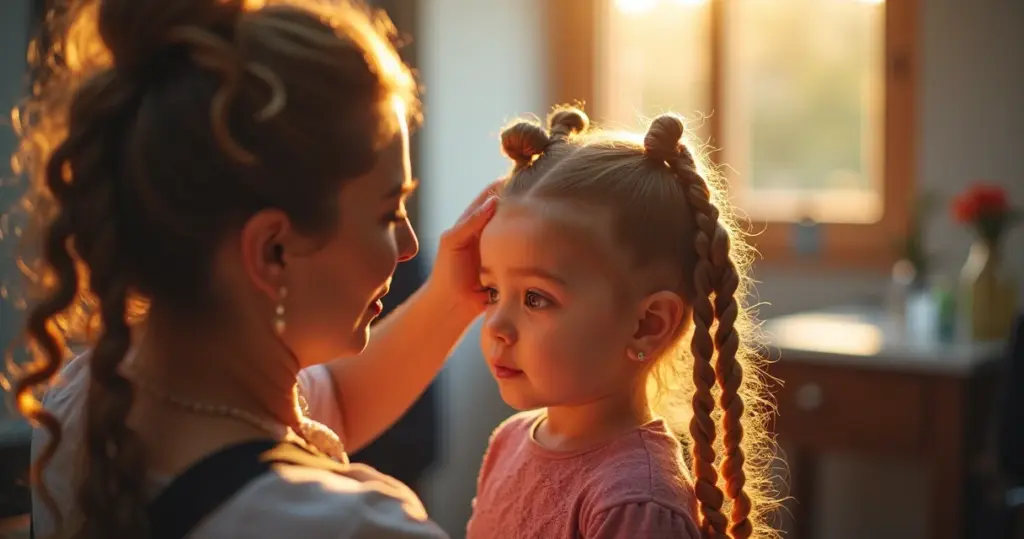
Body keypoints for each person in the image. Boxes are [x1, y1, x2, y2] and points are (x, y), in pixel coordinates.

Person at [11, 0, 496, 538]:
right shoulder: (350, 528)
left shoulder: (85, 406)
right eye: (388, 213)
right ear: (272, 251)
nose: (407, 246)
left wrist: (454, 295)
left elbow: (334, 400)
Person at [466, 108, 779, 539]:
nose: (497, 325)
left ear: (647, 325)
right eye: (492, 292)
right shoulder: (509, 441)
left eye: (536, 298)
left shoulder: (634, 504)